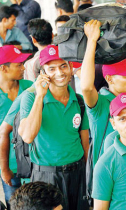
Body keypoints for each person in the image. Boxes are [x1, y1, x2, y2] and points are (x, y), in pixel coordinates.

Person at [18, 45, 90, 210]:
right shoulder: (30, 98)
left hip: (78, 173)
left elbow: (84, 142)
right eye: (51, 69)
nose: (59, 73)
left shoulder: (78, 100)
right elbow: (28, 136)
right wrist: (40, 96)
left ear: (71, 67)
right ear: (43, 73)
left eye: (63, 66)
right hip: (46, 175)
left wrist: (87, 174)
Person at [80, 19, 126, 168]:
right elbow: (87, 87)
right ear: (109, 79)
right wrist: (91, 41)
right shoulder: (101, 103)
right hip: (109, 175)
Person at [0, 45, 32, 209]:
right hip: (9, 164)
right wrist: (3, 168)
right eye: (18, 64)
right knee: (14, 205)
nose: (23, 67)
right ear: (4, 68)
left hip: (33, 161)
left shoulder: (29, 86)